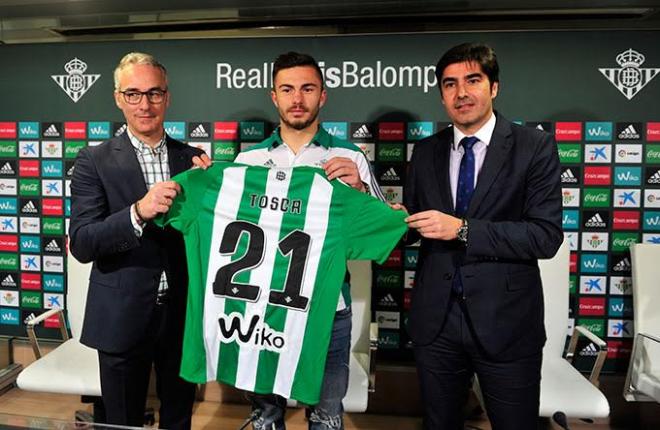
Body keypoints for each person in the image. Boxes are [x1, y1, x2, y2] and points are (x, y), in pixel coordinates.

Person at [401, 43, 563, 429]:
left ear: (494, 87)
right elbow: (412, 229)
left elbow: (545, 236)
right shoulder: (424, 153)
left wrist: (462, 229)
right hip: (436, 322)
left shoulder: (533, 147)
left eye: (472, 80)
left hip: (506, 323)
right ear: (441, 94)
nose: (461, 93)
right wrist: (384, 214)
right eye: (450, 84)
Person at [233, 51, 384, 430]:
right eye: (287, 89)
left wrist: (362, 191)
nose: (297, 99)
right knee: (266, 418)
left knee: (327, 417)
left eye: (307, 88)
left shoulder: (349, 156)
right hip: (263, 311)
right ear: (274, 96)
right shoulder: (247, 161)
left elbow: (383, 231)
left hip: (328, 311)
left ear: (323, 95)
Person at [70, 52, 209, 429]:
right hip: (119, 315)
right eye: (133, 94)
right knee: (122, 422)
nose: (144, 104)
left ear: (167, 96)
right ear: (118, 97)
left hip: (182, 315)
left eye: (154, 93)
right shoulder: (92, 161)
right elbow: (82, 243)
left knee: (179, 417)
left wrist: (213, 192)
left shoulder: (194, 160)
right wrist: (137, 212)